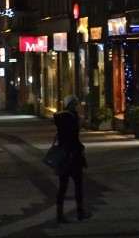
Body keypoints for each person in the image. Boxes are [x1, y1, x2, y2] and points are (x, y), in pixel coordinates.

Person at [53, 95, 91, 223]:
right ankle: (80, 212)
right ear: (71, 105)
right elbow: (73, 137)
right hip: (73, 156)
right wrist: (79, 148)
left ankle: (59, 213)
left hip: (63, 155)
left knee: (63, 186)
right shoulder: (71, 118)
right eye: (75, 104)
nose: (77, 106)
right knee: (78, 185)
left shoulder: (61, 117)